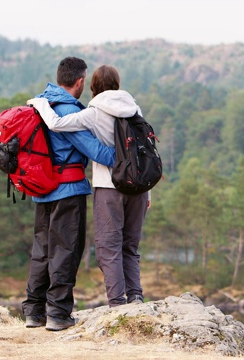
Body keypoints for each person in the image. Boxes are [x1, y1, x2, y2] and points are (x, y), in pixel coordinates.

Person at [28, 65, 149, 308]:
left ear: (90, 85)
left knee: (108, 247)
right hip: (139, 187)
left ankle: (117, 303)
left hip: (109, 187)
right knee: (130, 246)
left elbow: (56, 124)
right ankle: (135, 296)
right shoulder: (135, 108)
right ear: (117, 83)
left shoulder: (93, 112)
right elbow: (143, 152)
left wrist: (40, 103)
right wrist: (149, 192)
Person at [22, 57, 116, 331]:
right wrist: (128, 160)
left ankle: (33, 311)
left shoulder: (41, 104)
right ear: (80, 81)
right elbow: (95, 151)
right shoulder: (67, 111)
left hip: (42, 189)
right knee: (66, 250)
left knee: (42, 251)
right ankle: (59, 314)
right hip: (68, 190)